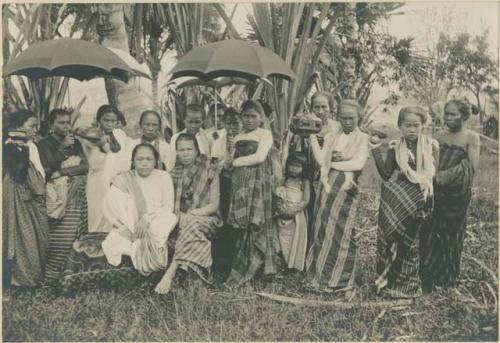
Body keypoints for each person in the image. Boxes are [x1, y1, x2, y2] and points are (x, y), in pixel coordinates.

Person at [370, 106, 438, 298]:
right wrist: (375, 149)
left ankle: (408, 286)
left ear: (422, 126)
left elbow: (431, 176)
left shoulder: (431, 146)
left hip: (420, 198)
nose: (412, 130)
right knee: (392, 239)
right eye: (407, 125)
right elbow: (386, 174)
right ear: (400, 126)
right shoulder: (395, 146)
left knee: (411, 243)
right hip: (398, 201)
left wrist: (425, 200)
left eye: (416, 125)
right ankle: (389, 283)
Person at [305, 99, 369, 295]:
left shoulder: (363, 138)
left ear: (359, 117)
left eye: (352, 118)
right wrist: (312, 138)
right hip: (327, 185)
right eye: (343, 118)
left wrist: (332, 165)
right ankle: (320, 276)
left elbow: (357, 164)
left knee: (342, 229)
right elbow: (321, 159)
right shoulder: (332, 136)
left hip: (346, 187)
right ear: (338, 117)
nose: (348, 122)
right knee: (322, 227)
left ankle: (339, 279)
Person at [420, 99, 480, 289]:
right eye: (447, 114)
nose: (448, 118)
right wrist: (431, 178)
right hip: (435, 191)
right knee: (430, 230)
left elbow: (470, 168)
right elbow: (430, 161)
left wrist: (446, 177)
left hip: (456, 196)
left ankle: (448, 278)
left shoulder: (471, 138)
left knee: (452, 234)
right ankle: (429, 276)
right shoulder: (438, 135)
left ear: (464, 116)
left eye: (453, 114)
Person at [155, 134, 221, 294]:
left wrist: (191, 214)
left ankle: (171, 272)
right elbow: (169, 206)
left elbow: (214, 205)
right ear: (176, 152)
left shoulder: (210, 169)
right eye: (181, 150)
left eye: (189, 149)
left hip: (209, 220)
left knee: (190, 223)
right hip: (181, 222)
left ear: (197, 150)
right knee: (189, 227)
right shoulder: (173, 174)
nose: (185, 153)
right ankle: (186, 271)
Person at [225, 100, 280, 286]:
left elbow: (259, 157)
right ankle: (241, 270)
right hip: (240, 184)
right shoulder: (238, 136)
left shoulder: (265, 134)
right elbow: (231, 160)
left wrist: (237, 163)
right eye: (246, 116)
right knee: (242, 224)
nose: (249, 120)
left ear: (261, 118)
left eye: (253, 116)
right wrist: (230, 155)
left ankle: (258, 271)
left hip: (258, 183)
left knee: (257, 222)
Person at [101, 143, 178, 276]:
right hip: (131, 223)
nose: (144, 163)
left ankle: (137, 243)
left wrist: (147, 219)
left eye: (149, 159)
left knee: (170, 218)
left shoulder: (164, 176)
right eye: (140, 159)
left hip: (157, 221)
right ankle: (135, 240)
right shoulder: (125, 178)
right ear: (133, 161)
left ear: (156, 161)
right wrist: (122, 228)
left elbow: (168, 208)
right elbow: (107, 206)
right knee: (123, 200)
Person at [38, 108, 89, 282]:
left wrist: (63, 171)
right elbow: (46, 169)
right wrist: (62, 148)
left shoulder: (76, 142)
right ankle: (51, 275)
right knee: (58, 235)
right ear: (51, 125)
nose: (66, 125)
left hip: (75, 196)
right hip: (56, 198)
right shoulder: (43, 144)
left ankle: (70, 273)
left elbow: (85, 167)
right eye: (61, 122)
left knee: (74, 233)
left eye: (68, 122)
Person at [3, 109, 49, 288]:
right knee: (22, 234)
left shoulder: (31, 144)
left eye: (36, 125)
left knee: (38, 233)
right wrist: (20, 146)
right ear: (17, 127)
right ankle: (22, 279)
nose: (36, 129)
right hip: (19, 192)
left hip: (33, 193)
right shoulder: (11, 145)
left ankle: (34, 275)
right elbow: (20, 172)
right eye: (32, 126)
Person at [79, 105, 130, 232]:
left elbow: (122, 158)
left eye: (113, 121)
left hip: (116, 181)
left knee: (114, 215)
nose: (109, 124)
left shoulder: (120, 135)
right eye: (105, 120)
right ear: (98, 120)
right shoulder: (91, 136)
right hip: (98, 181)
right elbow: (95, 163)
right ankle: (95, 247)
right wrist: (103, 144)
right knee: (97, 214)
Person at [211, 107, 242, 281]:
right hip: (225, 184)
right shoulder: (218, 142)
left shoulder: (246, 138)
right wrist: (227, 158)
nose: (232, 127)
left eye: (235, 123)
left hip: (241, 184)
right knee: (225, 221)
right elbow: (215, 165)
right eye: (228, 123)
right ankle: (222, 265)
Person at [274, 152, 310, 272]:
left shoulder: (304, 182)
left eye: (298, 166)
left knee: (294, 240)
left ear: (303, 168)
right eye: (291, 165)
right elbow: (278, 193)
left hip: (296, 215)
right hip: (283, 211)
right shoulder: (284, 179)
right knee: (281, 238)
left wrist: (293, 210)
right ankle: (281, 263)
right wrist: (281, 207)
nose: (294, 169)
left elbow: (306, 200)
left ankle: (293, 265)